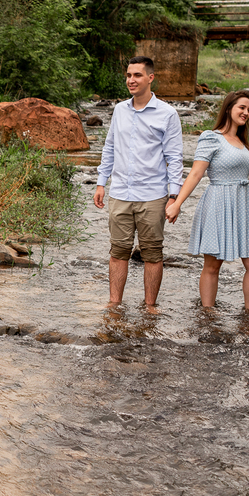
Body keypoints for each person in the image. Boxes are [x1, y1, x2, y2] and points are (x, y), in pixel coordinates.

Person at [93, 56, 184, 310]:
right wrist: (102, 182)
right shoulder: (120, 110)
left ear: (150, 78)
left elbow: (174, 158)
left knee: (152, 254)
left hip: (153, 195)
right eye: (129, 75)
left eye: (137, 75)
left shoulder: (168, 114)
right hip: (120, 193)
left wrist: (174, 196)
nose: (131, 80)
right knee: (118, 251)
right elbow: (109, 147)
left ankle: (150, 307)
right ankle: (114, 305)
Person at [165, 90, 249, 312]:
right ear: (229, 108)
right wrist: (177, 203)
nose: (246, 112)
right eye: (242, 107)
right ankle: (207, 313)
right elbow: (195, 174)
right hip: (218, 203)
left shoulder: (241, 140)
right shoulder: (211, 137)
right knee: (212, 265)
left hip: (243, 205)